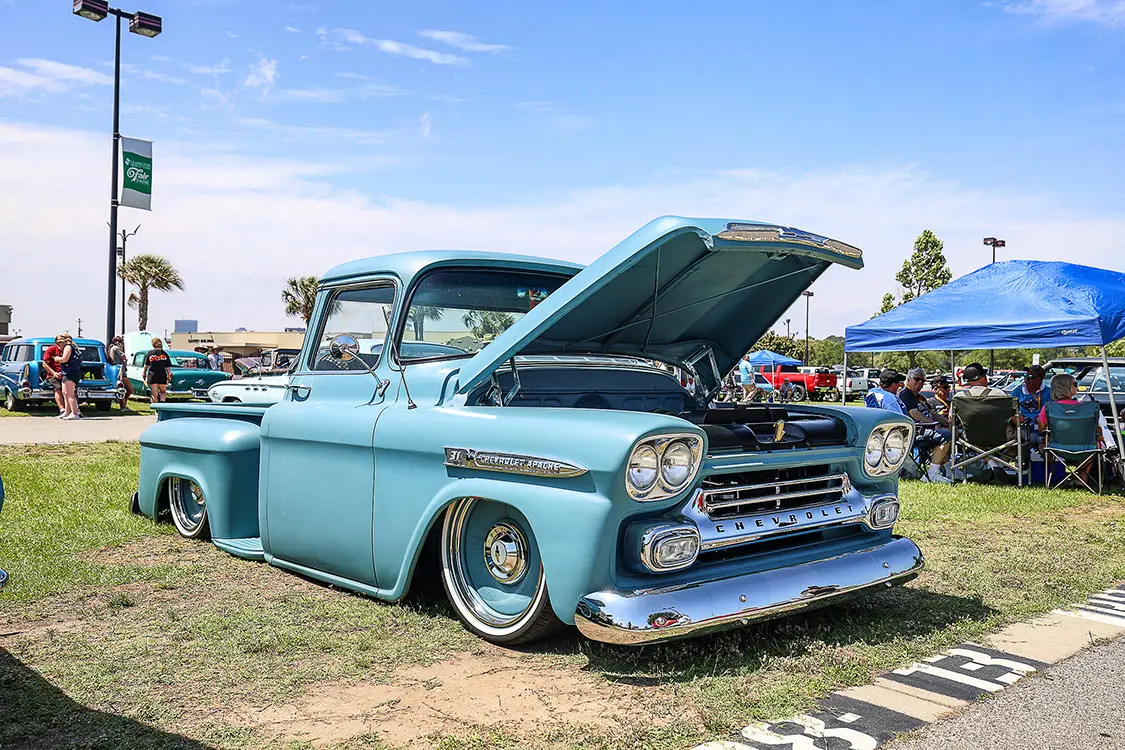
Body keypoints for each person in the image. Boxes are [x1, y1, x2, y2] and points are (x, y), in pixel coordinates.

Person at [900, 367, 952, 483]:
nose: (920, 383)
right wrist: (933, 423)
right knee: (946, 436)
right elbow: (915, 414)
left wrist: (948, 423)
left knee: (950, 432)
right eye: (916, 379)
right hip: (915, 432)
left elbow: (932, 413)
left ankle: (950, 470)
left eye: (922, 381)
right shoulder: (905, 394)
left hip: (927, 429)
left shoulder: (919, 397)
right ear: (908, 379)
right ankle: (932, 473)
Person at [1011, 364, 1050, 448]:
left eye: (1030, 377)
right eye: (1025, 376)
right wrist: (1016, 418)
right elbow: (1009, 413)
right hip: (1023, 430)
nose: (1026, 380)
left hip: (1043, 430)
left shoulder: (1050, 393)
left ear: (1041, 379)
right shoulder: (1017, 392)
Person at [55, 334, 84, 420]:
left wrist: (57, 358)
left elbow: (64, 359)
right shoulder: (69, 347)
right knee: (65, 393)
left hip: (71, 373)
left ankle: (74, 413)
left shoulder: (68, 347)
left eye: (59, 343)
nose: (59, 346)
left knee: (70, 394)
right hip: (66, 372)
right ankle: (67, 412)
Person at [40, 336, 66, 415]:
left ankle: (74, 410)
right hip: (53, 375)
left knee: (71, 391)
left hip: (66, 374)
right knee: (58, 388)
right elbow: (44, 364)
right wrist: (53, 373)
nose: (61, 343)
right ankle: (62, 409)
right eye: (59, 342)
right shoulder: (51, 349)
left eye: (63, 341)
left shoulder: (68, 349)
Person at [142, 338, 173, 403]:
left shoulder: (150, 353)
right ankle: (162, 405)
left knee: (154, 393)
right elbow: (167, 367)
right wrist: (168, 375)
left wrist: (144, 372)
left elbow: (146, 365)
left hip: (152, 375)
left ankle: (155, 407)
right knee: (163, 392)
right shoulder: (164, 354)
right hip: (162, 375)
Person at [108, 336, 134, 410]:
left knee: (122, 388)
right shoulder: (116, 348)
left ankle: (123, 405)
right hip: (121, 372)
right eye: (121, 343)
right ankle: (123, 405)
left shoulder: (111, 349)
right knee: (130, 389)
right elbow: (123, 357)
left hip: (117, 372)